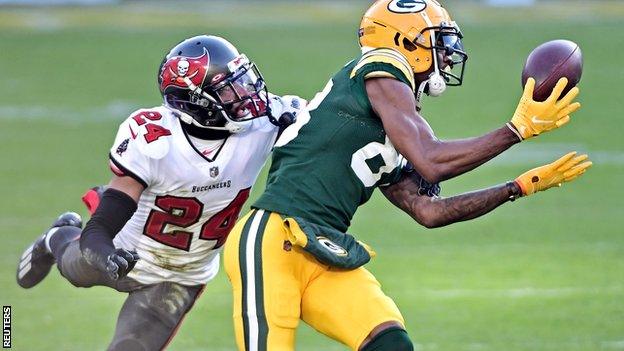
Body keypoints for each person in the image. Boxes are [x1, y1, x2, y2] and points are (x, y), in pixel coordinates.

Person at [223, 1, 591, 350]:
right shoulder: (381, 70)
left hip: (322, 246)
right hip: (272, 241)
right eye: (438, 42)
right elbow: (431, 160)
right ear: (404, 41)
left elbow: (429, 211)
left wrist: (519, 187)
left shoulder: (386, 120)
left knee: (390, 343)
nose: (446, 55)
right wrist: (515, 130)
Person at [16, 35, 303, 351]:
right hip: (126, 248)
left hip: (181, 277)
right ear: (197, 102)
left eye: (241, 81)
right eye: (227, 89)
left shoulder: (271, 118)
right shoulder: (155, 140)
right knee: (75, 270)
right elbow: (99, 231)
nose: (246, 95)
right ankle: (56, 237)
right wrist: (106, 253)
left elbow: (334, 120)